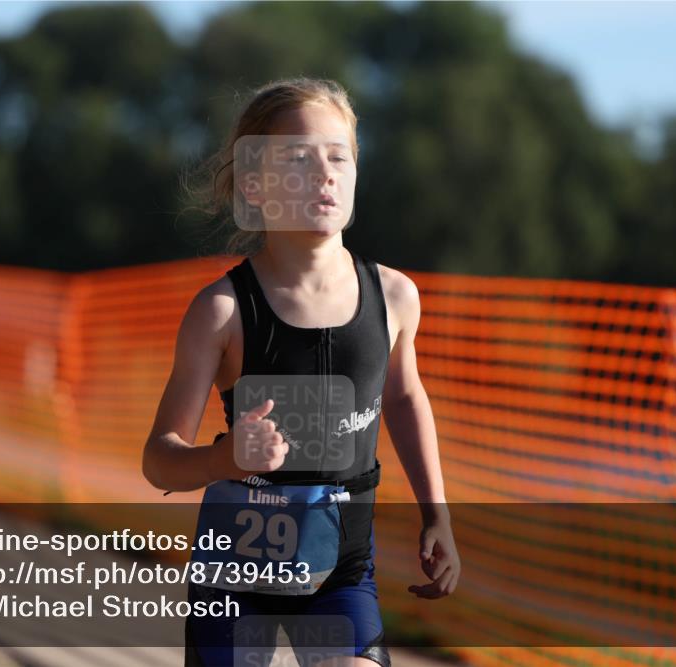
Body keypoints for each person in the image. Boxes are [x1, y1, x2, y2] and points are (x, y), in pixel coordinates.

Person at [142, 77, 459, 667]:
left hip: (339, 574)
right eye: (299, 157)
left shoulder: (395, 296)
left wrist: (435, 512)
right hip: (234, 579)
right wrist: (225, 458)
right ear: (255, 186)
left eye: (339, 156)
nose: (325, 172)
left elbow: (404, 397)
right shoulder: (222, 311)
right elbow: (158, 459)